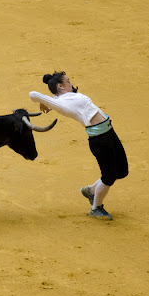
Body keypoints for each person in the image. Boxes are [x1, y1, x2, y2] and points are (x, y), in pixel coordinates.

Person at [29, 72, 128, 220]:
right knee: (109, 177)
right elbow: (33, 94)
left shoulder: (65, 97)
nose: (72, 84)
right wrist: (48, 101)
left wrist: (51, 100)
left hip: (110, 133)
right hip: (100, 140)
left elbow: (60, 96)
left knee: (122, 171)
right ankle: (96, 208)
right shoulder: (62, 105)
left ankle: (91, 191)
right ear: (60, 86)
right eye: (68, 82)